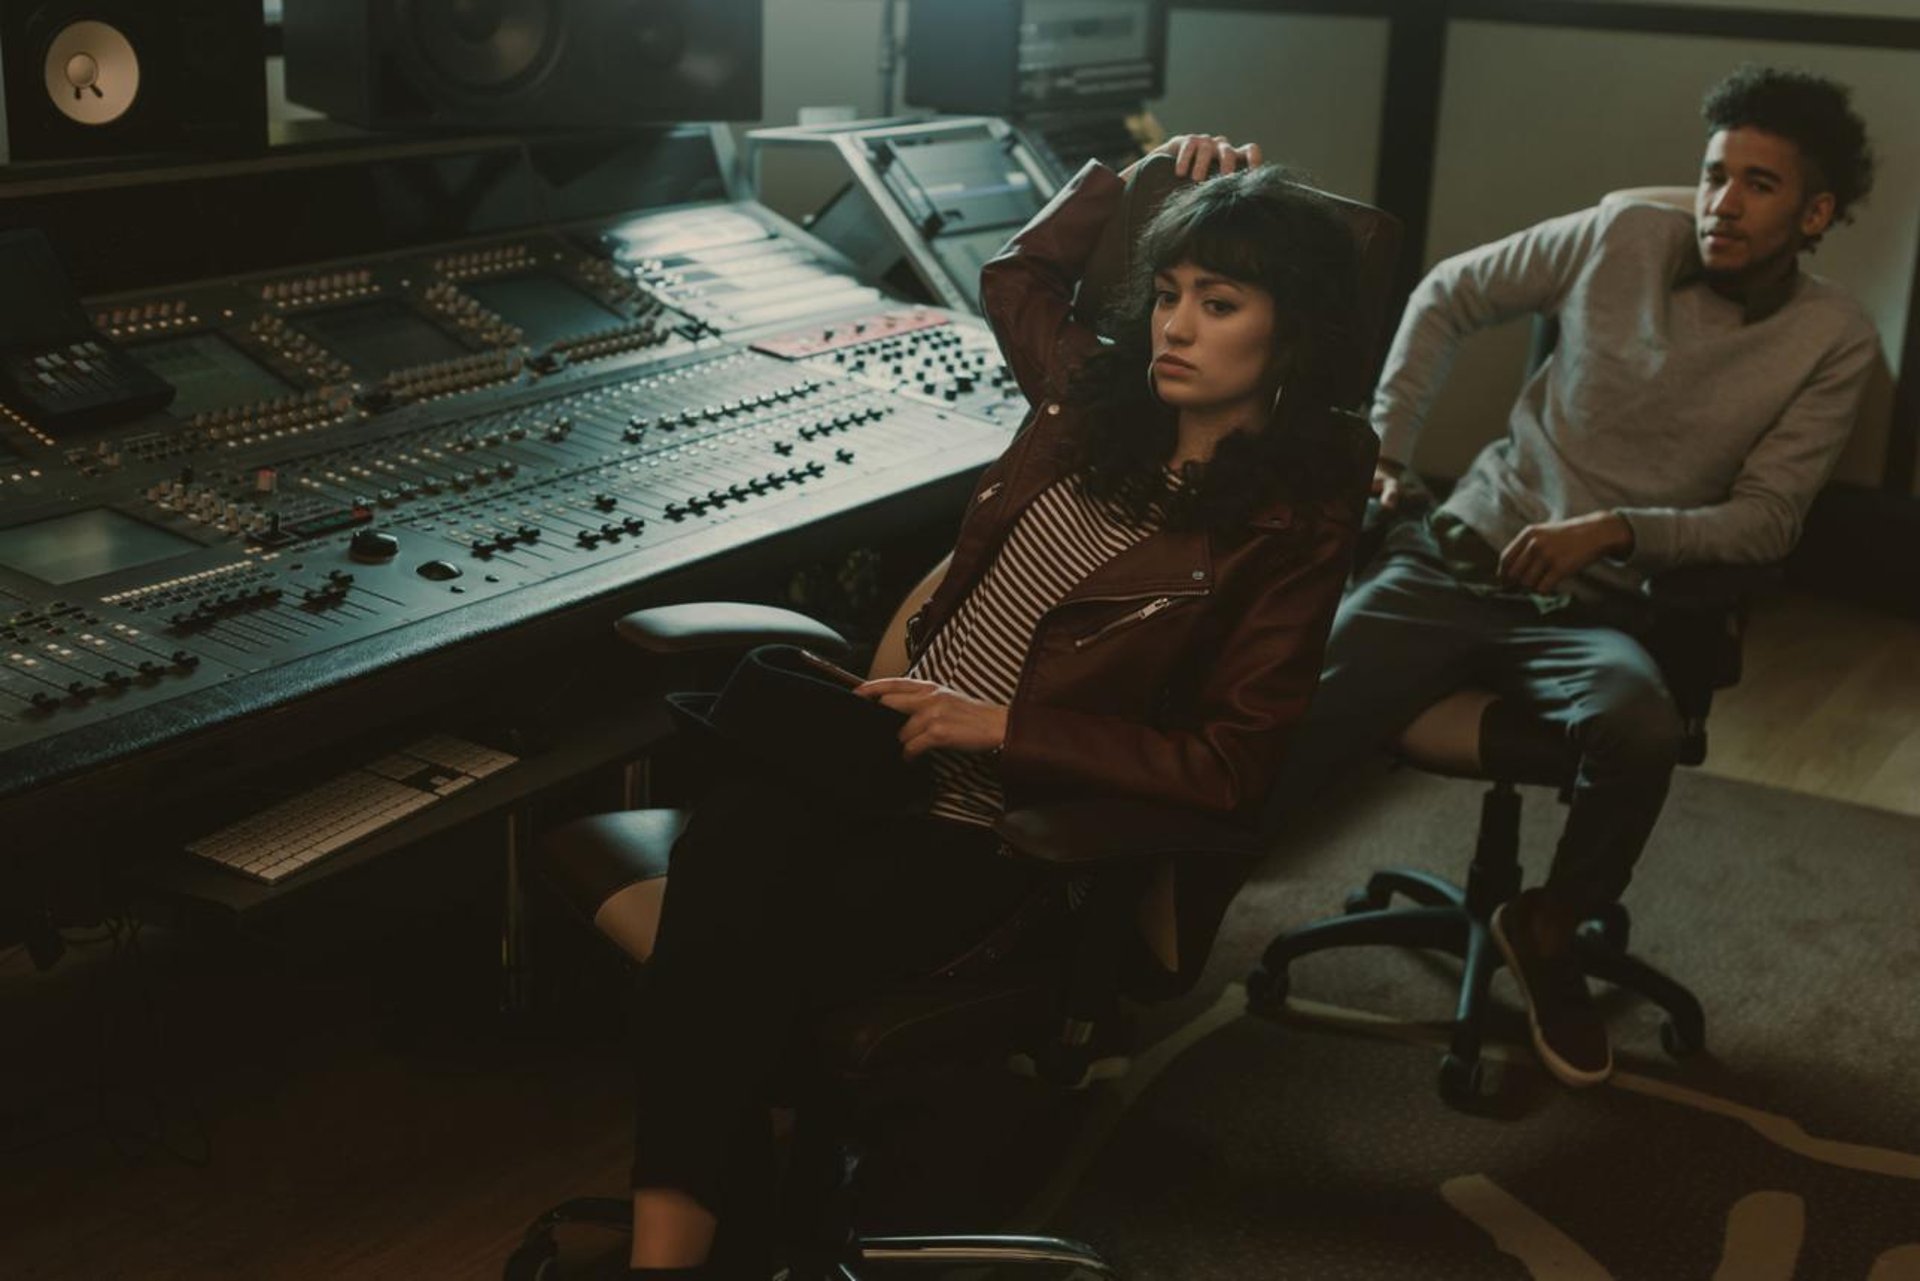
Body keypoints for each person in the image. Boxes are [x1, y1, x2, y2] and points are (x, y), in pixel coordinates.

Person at [565, 133, 1376, 1277]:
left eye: (1221, 303)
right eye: (1171, 295)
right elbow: (1017, 278)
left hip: (1003, 833)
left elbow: (1232, 764)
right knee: (741, 857)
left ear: (1291, 330)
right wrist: (1134, 176)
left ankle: (677, 1247)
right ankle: (687, 1246)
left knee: (726, 907)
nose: (1174, 327)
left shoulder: (1293, 521)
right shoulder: (1095, 404)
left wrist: (997, 726)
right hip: (878, 762)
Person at [1263, 65, 1880, 1090]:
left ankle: (1546, 924)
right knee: (1294, 697)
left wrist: (1616, 533)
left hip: (1599, 609)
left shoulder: (1834, 337)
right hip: (1456, 556)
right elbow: (1447, 291)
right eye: (1715, 173)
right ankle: (1169, 887)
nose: (1723, 202)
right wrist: (1382, 449)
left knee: (1635, 726)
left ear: (1816, 212)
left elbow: (1768, 523)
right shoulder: (1619, 233)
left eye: (1759, 185)